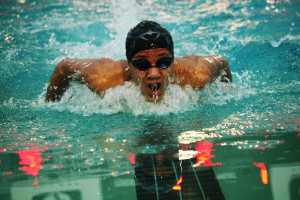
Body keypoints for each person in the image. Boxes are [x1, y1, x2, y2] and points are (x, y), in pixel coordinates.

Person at [45, 20, 232, 102]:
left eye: (164, 63)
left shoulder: (198, 74)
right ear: (129, 64)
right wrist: (51, 105)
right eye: (142, 65)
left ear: (173, 61)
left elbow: (221, 62)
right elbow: (64, 67)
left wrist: (226, 93)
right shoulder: (102, 78)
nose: (153, 73)